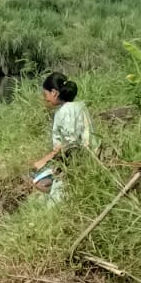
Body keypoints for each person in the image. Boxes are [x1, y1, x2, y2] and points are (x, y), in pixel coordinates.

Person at [33, 73, 93, 204]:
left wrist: (44, 160)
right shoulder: (78, 106)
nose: (46, 99)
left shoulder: (66, 111)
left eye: (46, 94)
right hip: (80, 159)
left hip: (73, 162)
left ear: (54, 92)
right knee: (38, 180)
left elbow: (70, 143)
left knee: (42, 184)